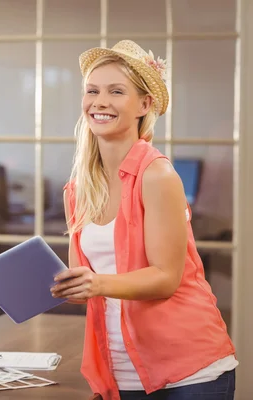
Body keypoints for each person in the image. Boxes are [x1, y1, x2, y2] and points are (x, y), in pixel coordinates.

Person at [50, 40, 238, 400]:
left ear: (144, 104)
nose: (99, 101)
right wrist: (64, 286)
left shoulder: (158, 175)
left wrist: (96, 284)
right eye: (92, 91)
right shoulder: (77, 190)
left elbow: (166, 278)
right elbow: (87, 285)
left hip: (189, 373)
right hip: (119, 372)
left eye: (116, 91)